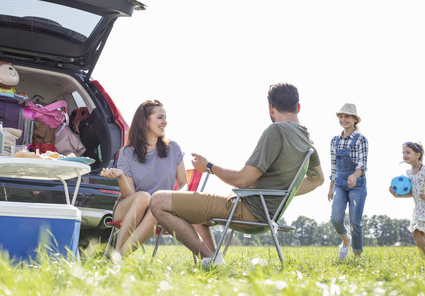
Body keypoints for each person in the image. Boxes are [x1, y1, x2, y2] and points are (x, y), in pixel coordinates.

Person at [150, 83, 324, 266]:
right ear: (298, 107)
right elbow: (318, 179)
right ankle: (216, 264)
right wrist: (284, 190)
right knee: (193, 213)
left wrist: (209, 166)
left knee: (157, 201)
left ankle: (210, 260)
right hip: (265, 213)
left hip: (246, 210)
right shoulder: (307, 139)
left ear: (271, 108)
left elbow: (243, 180)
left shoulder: (276, 131)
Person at [101, 100, 187, 257]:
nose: (165, 122)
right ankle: (116, 257)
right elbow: (130, 195)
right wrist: (120, 176)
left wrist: (175, 201)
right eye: (160, 117)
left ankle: (116, 258)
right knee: (144, 197)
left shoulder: (173, 148)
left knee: (156, 206)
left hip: (159, 210)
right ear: (145, 121)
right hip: (128, 208)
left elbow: (183, 184)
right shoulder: (127, 153)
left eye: (165, 117)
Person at [327, 103, 369, 260]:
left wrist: (354, 176)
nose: (343, 119)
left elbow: (362, 165)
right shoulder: (334, 141)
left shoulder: (361, 139)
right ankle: (346, 240)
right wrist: (331, 187)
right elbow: (333, 167)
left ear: (355, 119)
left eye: (347, 116)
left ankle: (357, 255)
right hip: (339, 183)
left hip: (357, 185)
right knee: (336, 218)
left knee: (355, 221)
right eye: (341, 116)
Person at [389, 142, 425, 256]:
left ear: (417, 155)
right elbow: (412, 193)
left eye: (408, 152)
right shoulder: (408, 173)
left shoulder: (424, 171)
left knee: (417, 232)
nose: (404, 155)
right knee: (417, 233)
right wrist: (398, 195)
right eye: (403, 152)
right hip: (418, 208)